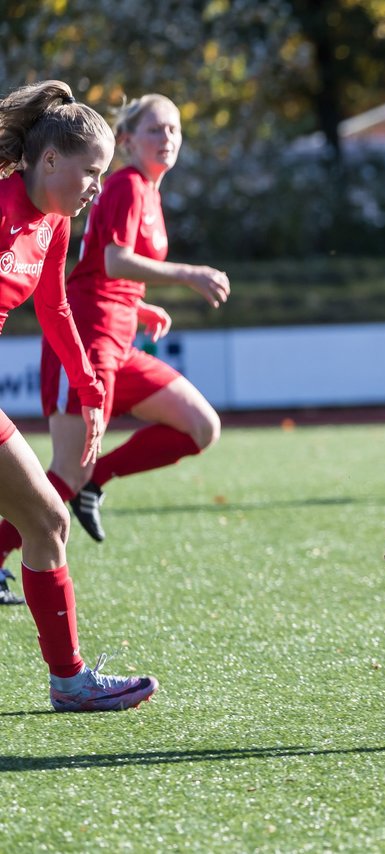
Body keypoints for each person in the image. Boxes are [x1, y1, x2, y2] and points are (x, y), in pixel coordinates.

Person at [0, 93, 228, 568]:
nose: (168, 138)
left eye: (174, 129)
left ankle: (94, 481)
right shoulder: (124, 187)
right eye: (155, 129)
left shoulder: (129, 195)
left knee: (201, 426)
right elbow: (111, 262)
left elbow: (78, 285)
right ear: (127, 140)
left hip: (118, 339)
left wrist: (137, 306)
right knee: (62, 481)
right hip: (92, 335)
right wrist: (190, 275)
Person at [0, 80, 158, 711]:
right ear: (48, 161)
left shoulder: (54, 223)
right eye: (90, 171)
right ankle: (68, 682)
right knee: (47, 519)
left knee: (44, 520)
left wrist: (91, 388)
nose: (96, 185)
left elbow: (55, 306)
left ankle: (68, 681)